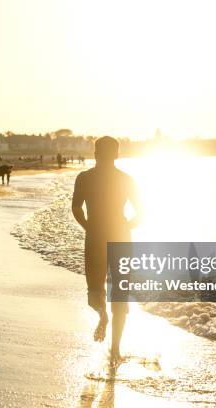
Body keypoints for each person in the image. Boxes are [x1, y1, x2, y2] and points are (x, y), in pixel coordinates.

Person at [71, 136, 143, 364]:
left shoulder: (84, 178)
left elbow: (76, 207)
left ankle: (102, 315)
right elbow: (142, 213)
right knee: (120, 294)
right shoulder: (126, 179)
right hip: (121, 239)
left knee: (94, 289)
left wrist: (88, 227)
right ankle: (115, 350)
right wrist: (125, 227)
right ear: (117, 154)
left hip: (95, 238)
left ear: (95, 153)